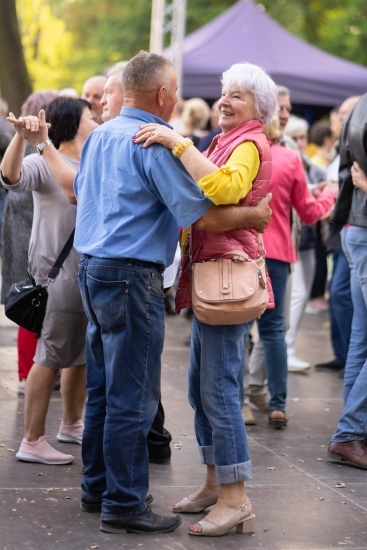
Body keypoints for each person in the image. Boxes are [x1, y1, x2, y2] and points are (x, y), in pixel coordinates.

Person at [77, 52, 272, 536]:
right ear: (163, 96)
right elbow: (199, 214)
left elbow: (81, 193)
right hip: (130, 276)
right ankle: (124, 503)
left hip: (93, 270)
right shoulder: (151, 142)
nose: (182, 98)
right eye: (177, 90)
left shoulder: (101, 135)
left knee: (101, 388)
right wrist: (253, 217)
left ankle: (96, 488)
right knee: (134, 396)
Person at [134, 58, 278, 536]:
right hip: (210, 280)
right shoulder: (223, 141)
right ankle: (216, 483)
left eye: (237, 94)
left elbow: (219, 189)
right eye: (224, 92)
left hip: (226, 280)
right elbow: (203, 205)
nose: (225, 100)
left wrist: (177, 143)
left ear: (259, 108)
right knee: (200, 387)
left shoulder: (250, 143)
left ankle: (236, 497)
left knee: (217, 390)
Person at [1, 97, 98, 465]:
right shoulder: (44, 161)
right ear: (73, 123)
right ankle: (32, 439)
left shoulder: (88, 163)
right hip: (56, 275)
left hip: (84, 272)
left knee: (79, 356)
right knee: (51, 355)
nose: (97, 120)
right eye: (91, 116)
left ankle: (72, 424)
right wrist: (21, 138)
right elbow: (10, 177)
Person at [243, 118, 336, 430]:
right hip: (278, 254)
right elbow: (309, 212)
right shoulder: (289, 157)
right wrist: (330, 194)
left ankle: (240, 401)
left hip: (241, 250)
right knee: (272, 332)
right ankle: (278, 404)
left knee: (239, 330)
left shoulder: (240, 152)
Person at [0, 90, 59, 395]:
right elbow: (10, 178)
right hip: (33, 244)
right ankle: (28, 374)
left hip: (32, 242)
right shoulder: (37, 158)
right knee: (30, 306)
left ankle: (32, 372)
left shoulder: (45, 155)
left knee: (31, 306)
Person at [327, 93, 367, 468]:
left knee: (360, 335)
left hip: (356, 227)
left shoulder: (358, 106)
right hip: (363, 228)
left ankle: (353, 428)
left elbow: (346, 172)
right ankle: (350, 431)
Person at [315, 96, 360, 375]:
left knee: (342, 291)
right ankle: (343, 355)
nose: (339, 118)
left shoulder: (355, 143)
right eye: (338, 114)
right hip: (340, 229)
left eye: (345, 113)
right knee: (338, 292)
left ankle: (348, 357)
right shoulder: (341, 146)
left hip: (351, 228)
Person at [283, 115, 328, 371]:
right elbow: (303, 201)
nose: (300, 141)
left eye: (303, 137)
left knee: (301, 293)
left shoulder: (309, 164)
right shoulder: (288, 160)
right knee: (296, 294)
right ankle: (286, 349)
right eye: (296, 137)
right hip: (292, 238)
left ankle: (287, 348)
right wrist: (323, 193)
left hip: (307, 239)